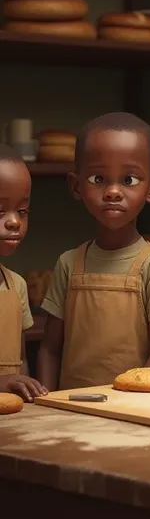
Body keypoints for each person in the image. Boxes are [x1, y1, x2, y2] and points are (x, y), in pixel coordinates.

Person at [38, 112, 150, 390]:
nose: (113, 191)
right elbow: (49, 349)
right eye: (98, 178)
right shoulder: (69, 263)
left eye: (129, 180)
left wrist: (135, 401)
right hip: (69, 408)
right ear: (76, 186)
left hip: (130, 411)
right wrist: (46, 401)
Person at [0, 145, 47, 401]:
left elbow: (20, 360)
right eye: (0, 211)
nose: (14, 222)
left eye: (22, 211)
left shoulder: (15, 285)